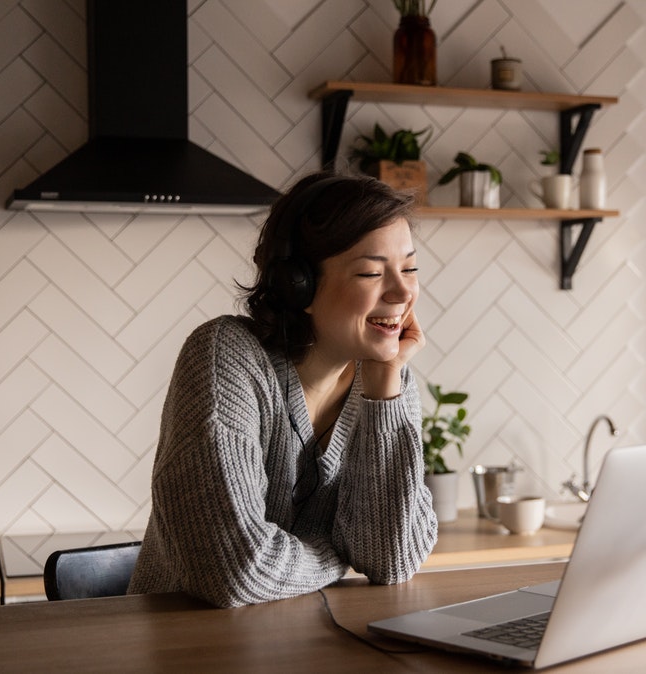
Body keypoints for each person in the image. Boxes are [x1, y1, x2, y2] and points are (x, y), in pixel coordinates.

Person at [128, 172, 438, 607]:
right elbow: (236, 570)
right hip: (185, 650)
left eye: (409, 268)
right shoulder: (226, 357)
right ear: (299, 286)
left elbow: (391, 560)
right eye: (371, 272)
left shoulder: (389, 383)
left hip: (305, 647)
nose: (403, 291)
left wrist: (385, 391)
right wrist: (337, 553)